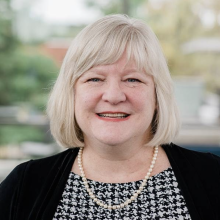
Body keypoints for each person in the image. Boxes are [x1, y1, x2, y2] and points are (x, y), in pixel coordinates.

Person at [0, 14, 220, 220]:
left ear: (157, 95)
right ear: (72, 94)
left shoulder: (212, 177)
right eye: (95, 79)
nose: (113, 96)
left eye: (132, 79)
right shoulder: (25, 186)